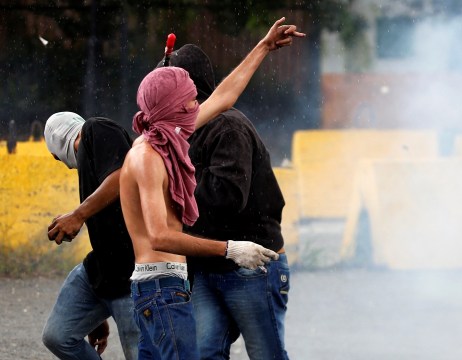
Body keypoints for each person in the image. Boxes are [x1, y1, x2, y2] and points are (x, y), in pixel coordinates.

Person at [120, 18, 304, 359]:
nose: (196, 106)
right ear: (171, 108)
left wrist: (263, 46)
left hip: (168, 285)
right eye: (189, 101)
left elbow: (224, 96)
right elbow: (159, 235)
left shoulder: (168, 137)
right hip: (160, 288)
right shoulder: (148, 154)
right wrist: (230, 249)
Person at [168, 43, 291, 359]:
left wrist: (171, 185)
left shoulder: (227, 127)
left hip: (251, 266)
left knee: (267, 354)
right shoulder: (183, 132)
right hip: (208, 267)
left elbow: (227, 196)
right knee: (205, 353)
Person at [41, 112, 139, 360]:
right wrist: (96, 309)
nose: (60, 161)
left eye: (55, 156)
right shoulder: (89, 163)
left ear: (57, 145)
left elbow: (124, 176)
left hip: (134, 272)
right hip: (103, 269)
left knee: (140, 355)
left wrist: (78, 215)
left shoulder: (96, 128)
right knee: (58, 336)